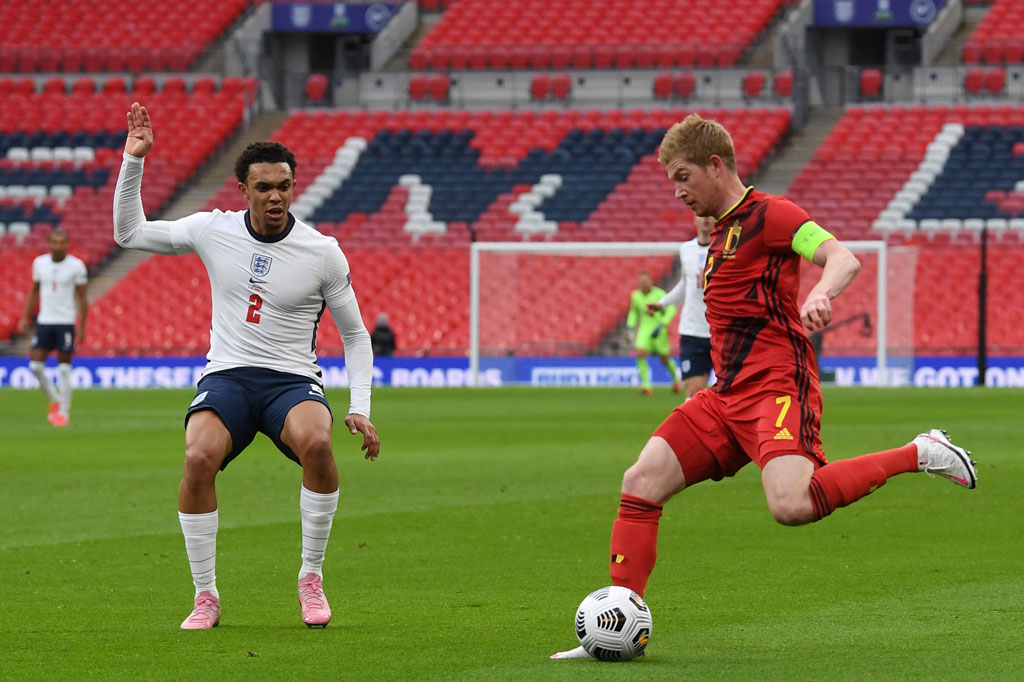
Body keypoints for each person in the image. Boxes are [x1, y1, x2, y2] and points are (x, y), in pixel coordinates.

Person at [552, 114, 977, 659]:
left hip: (776, 386)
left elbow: (841, 256)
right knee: (641, 481)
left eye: (682, 177)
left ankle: (921, 452)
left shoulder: (772, 215)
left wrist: (822, 293)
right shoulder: (716, 236)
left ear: (715, 165)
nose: (678, 192)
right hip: (724, 396)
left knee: (793, 505)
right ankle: (615, 628)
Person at [114, 102, 381, 630]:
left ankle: (310, 577)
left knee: (321, 444)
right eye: (264, 187)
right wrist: (134, 159)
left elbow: (355, 334)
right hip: (229, 376)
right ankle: (206, 595)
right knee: (197, 458)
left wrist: (361, 407)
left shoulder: (323, 251)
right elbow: (129, 234)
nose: (276, 196)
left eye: (284, 185)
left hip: (292, 380)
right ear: (244, 190)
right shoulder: (213, 230)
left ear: (293, 185)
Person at [17, 228, 88, 427]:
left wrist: (81, 327)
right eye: (54, 242)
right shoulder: (39, 263)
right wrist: (25, 317)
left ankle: (63, 412)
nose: (58, 245)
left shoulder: (76, 266)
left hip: (65, 322)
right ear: (49, 244)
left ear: (67, 244)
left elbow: (83, 299)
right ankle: (56, 400)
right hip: (45, 321)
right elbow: (34, 291)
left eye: (62, 242)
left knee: (64, 370)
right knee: (35, 365)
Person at [646, 216, 714, 400]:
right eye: (702, 214)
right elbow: (686, 285)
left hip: (721, 332)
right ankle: (696, 428)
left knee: (728, 394)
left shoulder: (727, 249)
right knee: (694, 393)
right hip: (692, 332)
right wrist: (663, 304)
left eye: (710, 214)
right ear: (694, 219)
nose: (706, 218)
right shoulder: (687, 250)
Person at [626, 271, 681, 395]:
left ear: (651, 282)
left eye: (646, 282)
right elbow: (634, 312)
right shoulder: (635, 296)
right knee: (640, 353)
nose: (644, 284)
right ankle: (646, 386)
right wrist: (630, 326)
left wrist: (663, 323)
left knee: (664, 359)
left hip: (659, 329)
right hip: (644, 329)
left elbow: (671, 309)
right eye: (642, 282)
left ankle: (676, 380)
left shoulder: (659, 294)